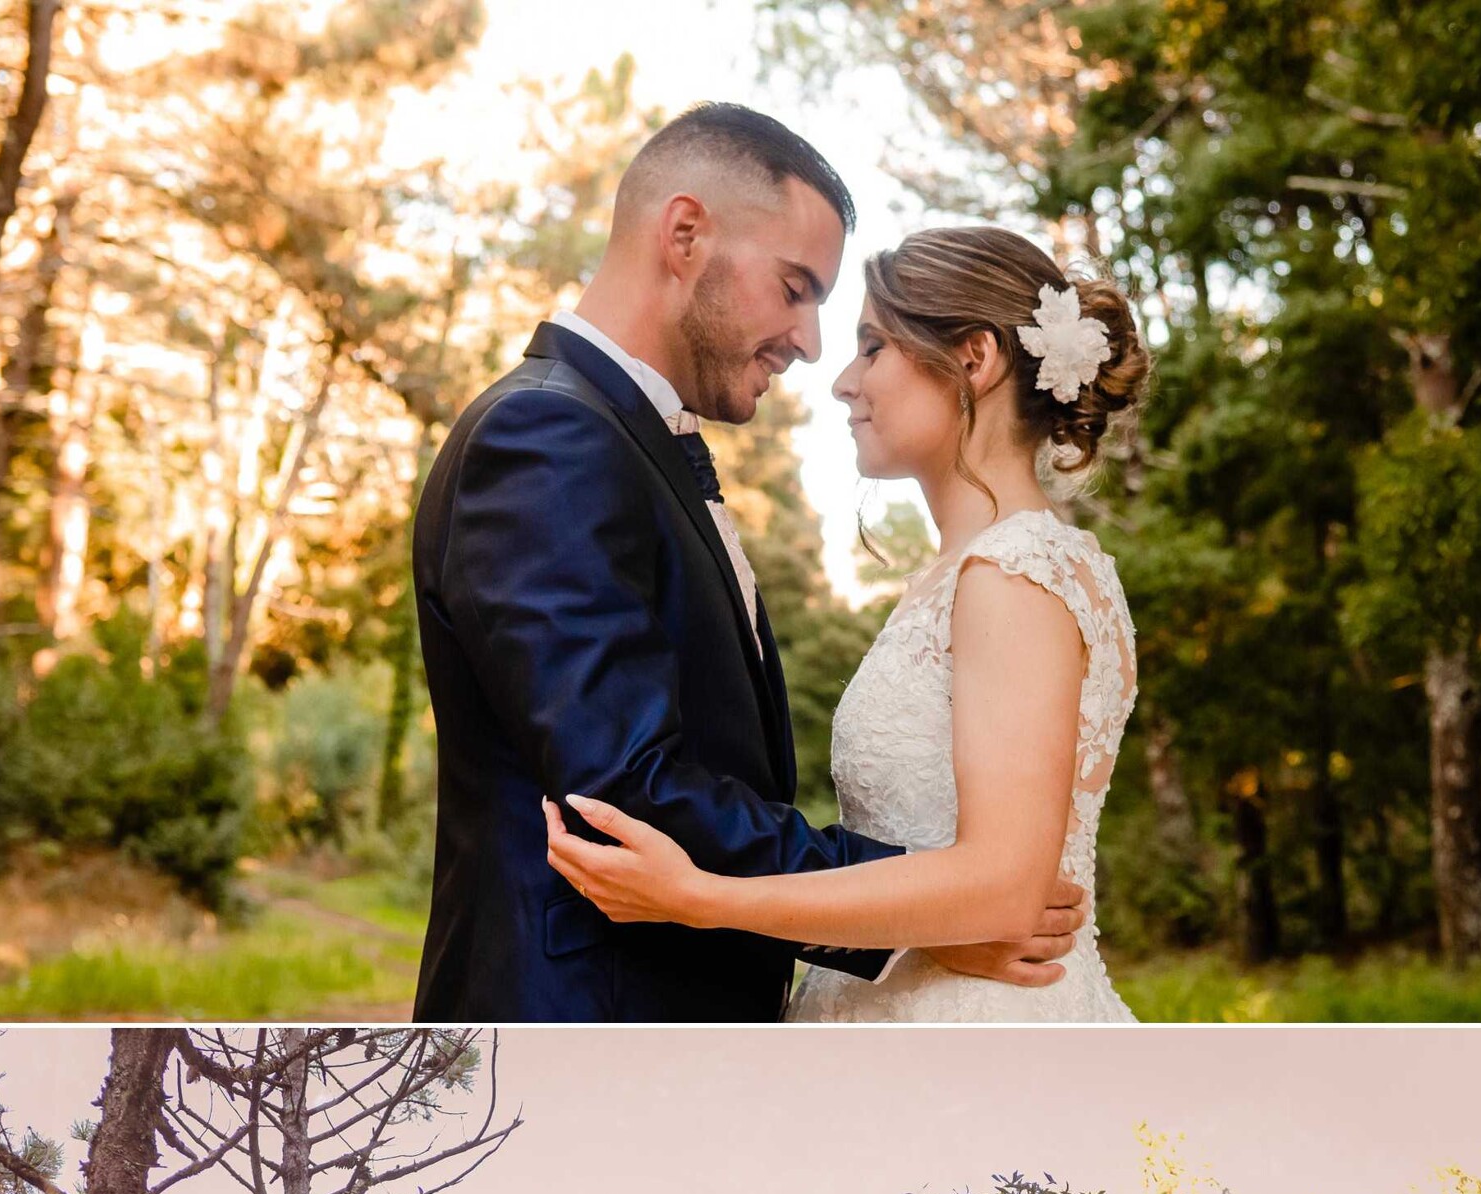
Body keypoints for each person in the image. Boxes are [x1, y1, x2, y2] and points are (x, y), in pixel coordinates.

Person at [412, 106, 1084, 1020]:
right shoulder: (548, 436)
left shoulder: (623, 441)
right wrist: (925, 914)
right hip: (588, 1022)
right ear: (684, 234)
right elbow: (627, 786)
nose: (812, 344)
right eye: (796, 287)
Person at [545, 225, 1150, 1021]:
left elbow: (1006, 883)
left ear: (974, 359)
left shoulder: (1014, 574)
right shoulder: (965, 573)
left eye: (872, 346)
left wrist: (703, 898)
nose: (844, 381)